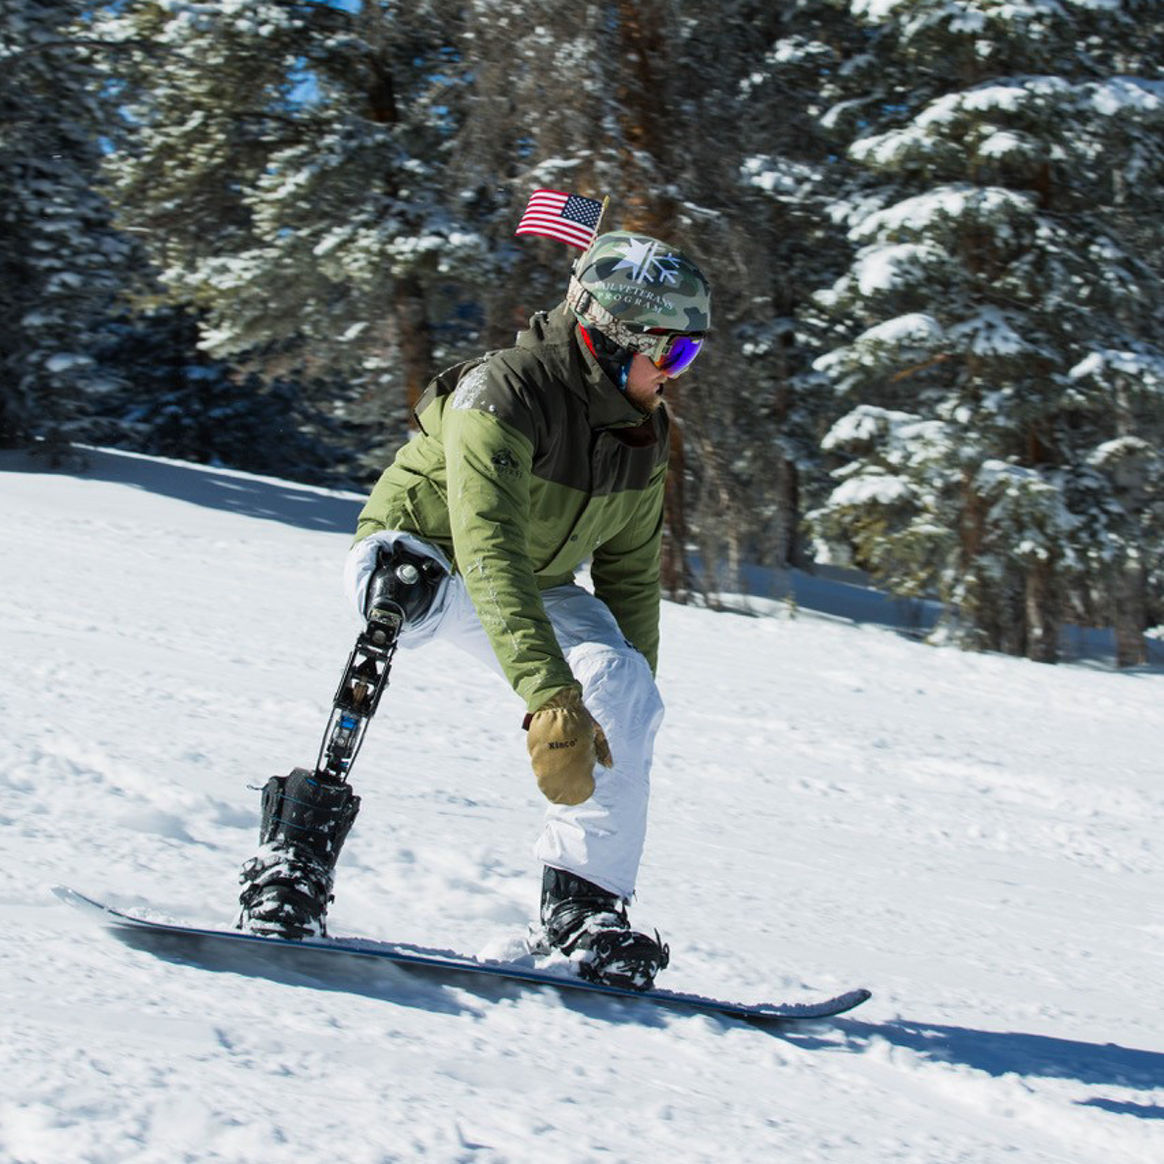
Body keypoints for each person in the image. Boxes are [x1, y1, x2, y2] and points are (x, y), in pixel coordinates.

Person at [237, 230, 711, 990]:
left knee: (622, 682)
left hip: (534, 579)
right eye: (674, 355)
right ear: (611, 337)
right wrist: (550, 694)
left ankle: (581, 910)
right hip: (424, 549)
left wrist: (612, 711)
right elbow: (485, 546)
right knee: (402, 593)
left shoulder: (640, 434)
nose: (676, 376)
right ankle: (289, 866)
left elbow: (629, 583)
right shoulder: (505, 392)